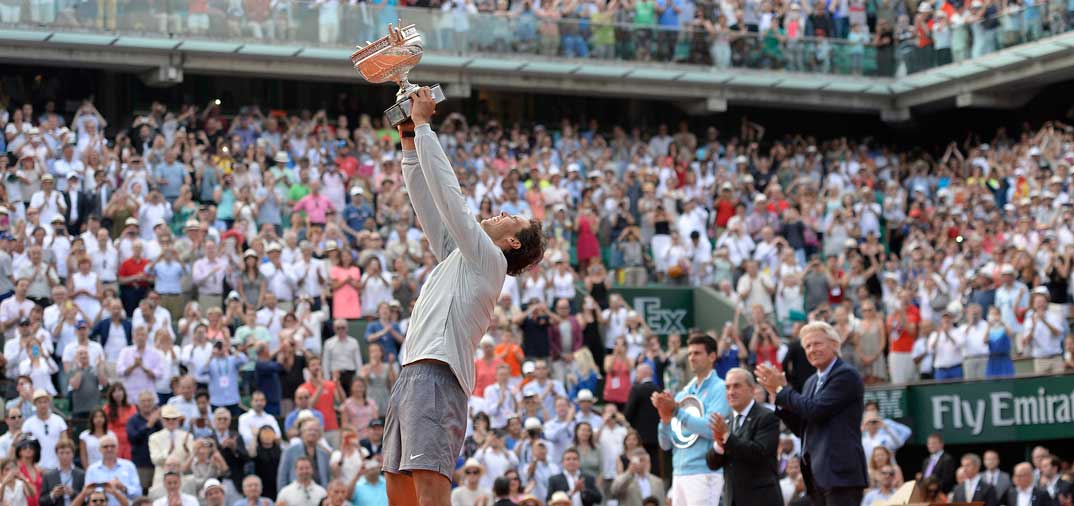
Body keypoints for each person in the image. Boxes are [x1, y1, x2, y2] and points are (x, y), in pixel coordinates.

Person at [383, 84, 544, 506]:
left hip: (439, 374)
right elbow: (428, 202)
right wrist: (408, 141)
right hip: (412, 372)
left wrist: (424, 125)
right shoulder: (462, 255)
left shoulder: (488, 261)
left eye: (511, 218)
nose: (500, 213)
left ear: (512, 243)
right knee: (399, 489)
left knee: (429, 487)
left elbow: (450, 199)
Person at [756, 321, 868, 506]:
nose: (812, 349)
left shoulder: (846, 375)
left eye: (817, 343)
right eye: (807, 346)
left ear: (834, 344)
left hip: (840, 476)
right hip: (816, 476)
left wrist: (783, 390)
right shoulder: (810, 382)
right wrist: (778, 397)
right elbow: (803, 427)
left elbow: (816, 410)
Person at [652, 335, 729, 506]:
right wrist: (664, 419)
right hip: (679, 473)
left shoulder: (721, 389)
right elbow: (666, 444)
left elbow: (711, 430)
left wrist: (676, 411)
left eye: (697, 353)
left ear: (712, 356)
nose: (692, 358)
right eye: (689, 354)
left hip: (705, 472)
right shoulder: (683, 394)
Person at [704, 368, 782, 506]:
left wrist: (727, 437)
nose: (731, 392)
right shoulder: (726, 421)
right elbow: (712, 463)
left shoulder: (767, 417)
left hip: (761, 500)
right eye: (727, 387)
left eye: (737, 386)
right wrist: (719, 445)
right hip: (732, 500)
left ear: (752, 390)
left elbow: (758, 453)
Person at [84, 434, 142, 506]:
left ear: (117, 448)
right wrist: (102, 489)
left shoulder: (129, 466)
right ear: (99, 449)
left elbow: (139, 494)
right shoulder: (92, 469)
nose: (109, 449)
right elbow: (86, 496)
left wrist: (123, 487)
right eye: (105, 447)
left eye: (112, 446)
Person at [623, 362, 661, 469]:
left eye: (637, 373)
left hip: (639, 437)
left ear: (641, 373)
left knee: (640, 463)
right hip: (656, 436)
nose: (636, 376)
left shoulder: (636, 389)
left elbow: (628, 414)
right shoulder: (659, 389)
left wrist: (633, 424)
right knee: (654, 464)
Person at [277, 419, 330, 492]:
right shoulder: (289, 451)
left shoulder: (324, 454)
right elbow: (282, 478)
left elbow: (327, 478)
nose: (312, 433)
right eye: (309, 430)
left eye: (316, 430)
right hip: (295, 495)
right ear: (302, 433)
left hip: (319, 495)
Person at [21, 390, 68, 471]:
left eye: (45, 402)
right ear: (35, 404)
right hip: (37, 467)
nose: (43, 405)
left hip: (57, 466)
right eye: (39, 402)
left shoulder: (59, 420)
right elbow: (25, 447)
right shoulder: (28, 424)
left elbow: (65, 443)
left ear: (49, 403)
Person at [41, 439, 85, 506]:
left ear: (73, 454)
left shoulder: (81, 474)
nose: (64, 456)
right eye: (61, 453)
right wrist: (53, 494)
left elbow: (87, 499)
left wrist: (72, 493)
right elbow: (42, 501)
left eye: (67, 453)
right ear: (57, 454)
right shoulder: (48, 475)